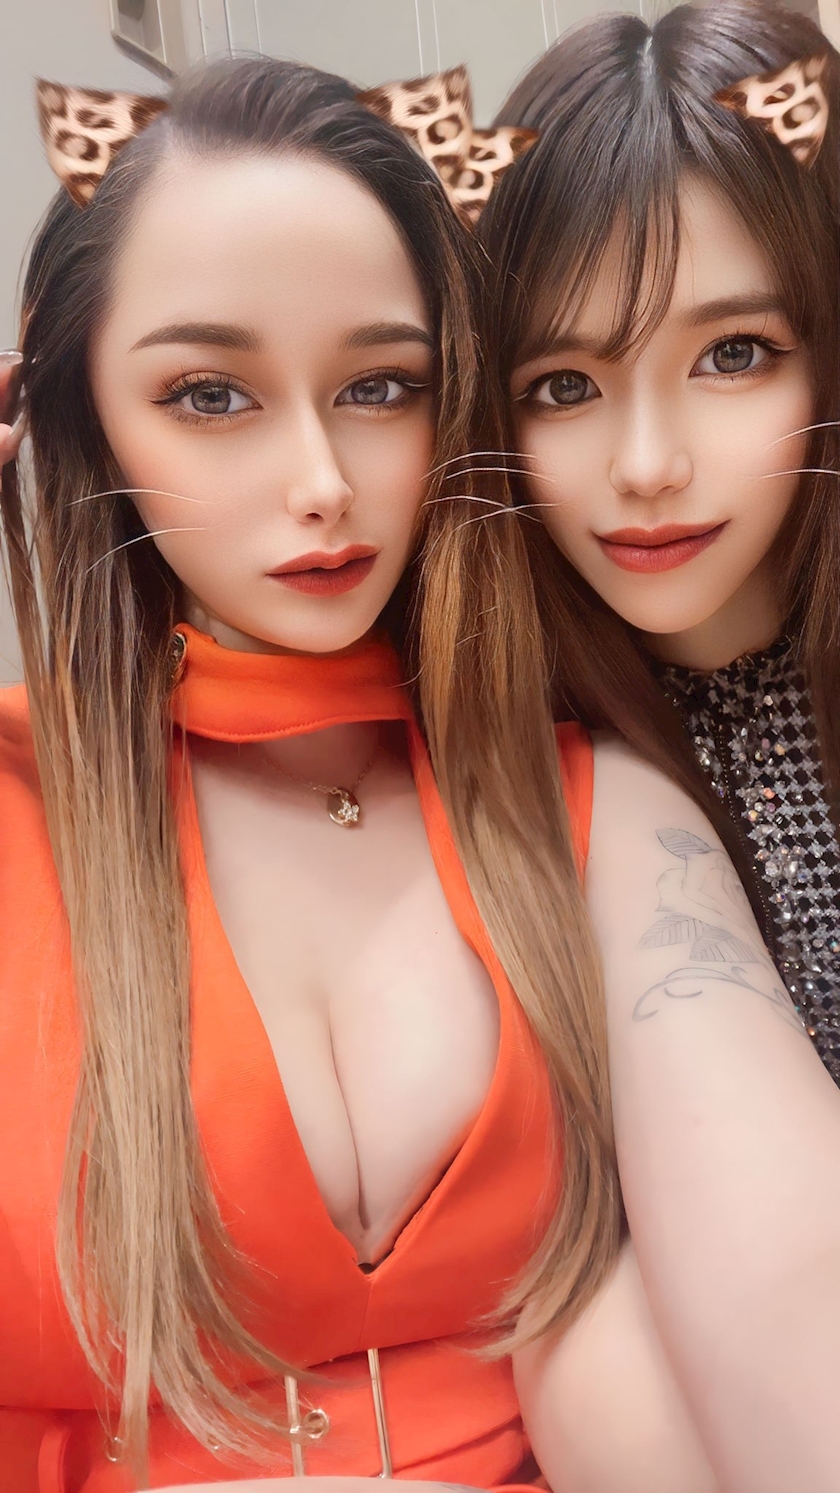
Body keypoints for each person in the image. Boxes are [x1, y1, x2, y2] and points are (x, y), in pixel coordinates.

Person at [0, 56, 624, 1493]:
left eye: (380, 386)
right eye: (211, 393)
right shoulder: (22, 802)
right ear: (85, 416)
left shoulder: (573, 792)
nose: (324, 481)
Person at [469, 5, 840, 1491]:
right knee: (596, 1352)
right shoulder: (503, 742)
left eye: (734, 354)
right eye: (563, 386)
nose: (645, 465)